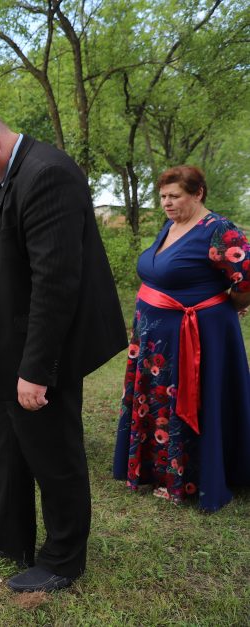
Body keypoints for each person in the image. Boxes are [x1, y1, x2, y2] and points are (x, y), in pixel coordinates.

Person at [0, 109, 126, 593]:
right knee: (2, 442)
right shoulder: (11, 175)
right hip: (4, 349)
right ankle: (10, 536)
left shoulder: (47, 174)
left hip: (38, 353)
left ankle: (63, 559)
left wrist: (36, 369)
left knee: (52, 452)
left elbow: (56, 281)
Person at [113, 165, 250, 512]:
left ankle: (186, 478)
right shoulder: (173, 226)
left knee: (190, 401)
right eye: (162, 197)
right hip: (157, 341)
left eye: (175, 196)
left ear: (198, 193)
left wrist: (228, 304)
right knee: (160, 404)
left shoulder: (219, 230)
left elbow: (247, 277)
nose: (167, 203)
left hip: (198, 337)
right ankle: (155, 470)